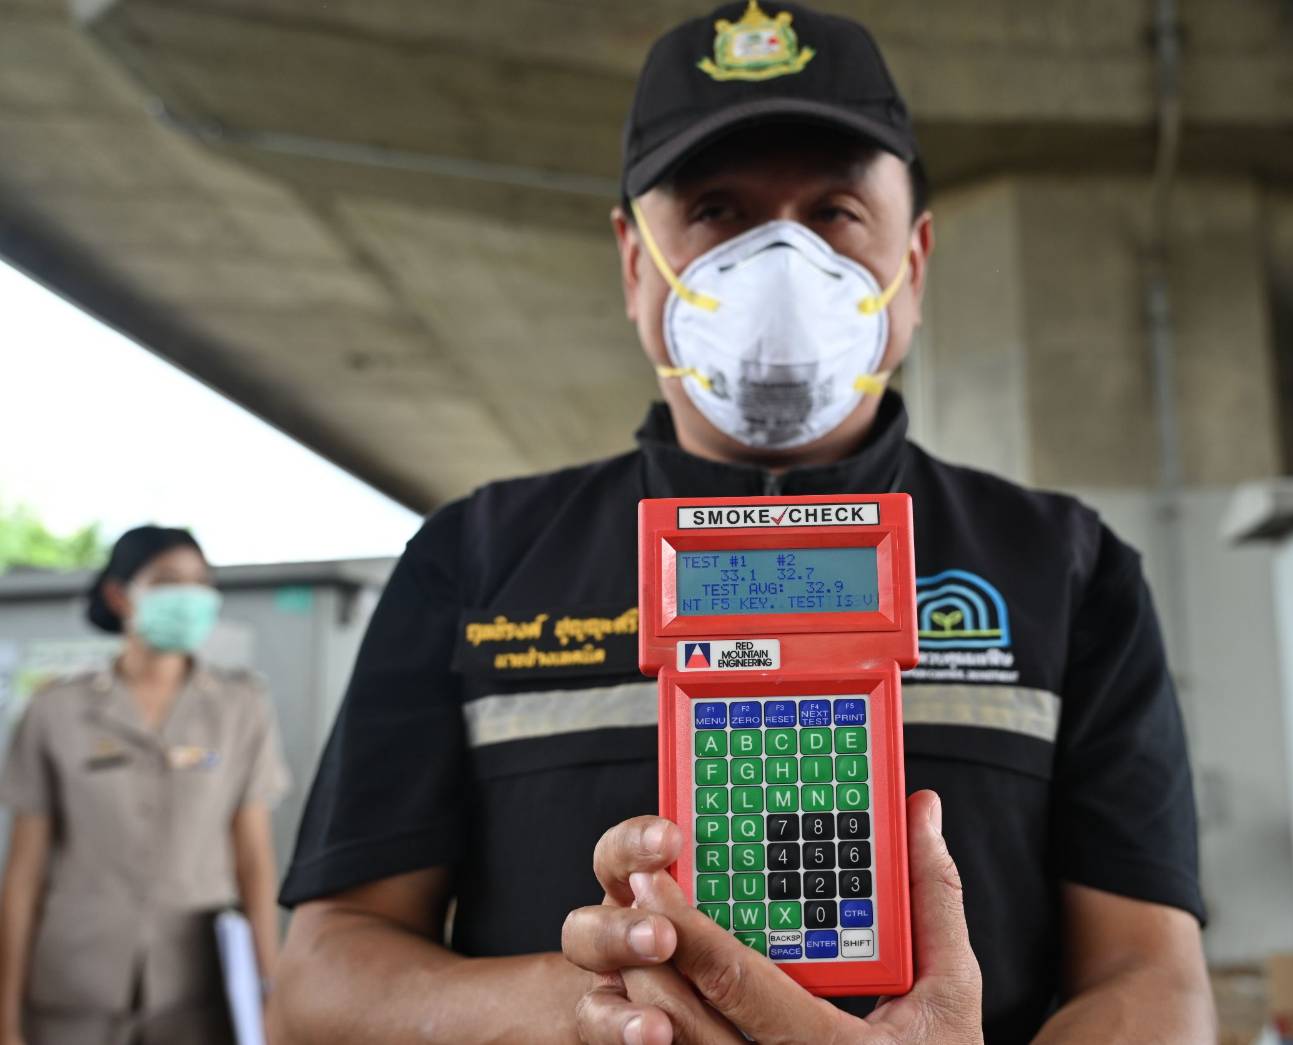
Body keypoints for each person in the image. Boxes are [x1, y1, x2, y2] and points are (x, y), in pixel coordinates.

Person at [273, 2, 1215, 1042]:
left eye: (836, 212)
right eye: (716, 210)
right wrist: (584, 1005)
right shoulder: (478, 556)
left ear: (914, 262)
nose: (781, 258)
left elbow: (1155, 981)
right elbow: (321, 980)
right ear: (635, 262)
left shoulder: (1066, 569)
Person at [0, 526, 290, 1045]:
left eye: (201, 582)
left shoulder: (240, 708)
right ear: (119, 595)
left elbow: (254, 860)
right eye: (169, 580)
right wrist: (5, 1015)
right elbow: (23, 872)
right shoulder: (56, 709)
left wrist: (270, 992)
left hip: (196, 992)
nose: (190, 596)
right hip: (73, 988)